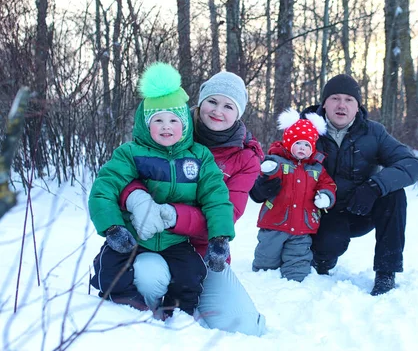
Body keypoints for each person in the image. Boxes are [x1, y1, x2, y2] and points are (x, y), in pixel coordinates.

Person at [120, 71, 266, 335]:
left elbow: (225, 215)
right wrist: (136, 196)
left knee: (244, 327)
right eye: (212, 101)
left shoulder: (245, 159)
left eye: (228, 106)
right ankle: (148, 322)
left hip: (203, 254)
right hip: (153, 242)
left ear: (239, 113)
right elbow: (128, 168)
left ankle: (190, 301)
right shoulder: (170, 124)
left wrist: (172, 215)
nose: (218, 111)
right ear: (200, 101)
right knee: (148, 277)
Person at [254, 74, 418, 296]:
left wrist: (374, 187)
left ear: (357, 106)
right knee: (330, 242)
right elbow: (277, 158)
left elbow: (410, 164)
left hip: (361, 207)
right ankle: (322, 259)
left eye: (349, 100)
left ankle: (386, 272)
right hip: (321, 214)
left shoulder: (374, 132)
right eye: (335, 98)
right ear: (324, 103)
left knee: (394, 196)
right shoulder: (304, 129)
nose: (342, 105)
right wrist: (260, 186)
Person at [88, 62, 235, 316]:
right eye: (158, 120)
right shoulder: (130, 153)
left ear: (186, 125)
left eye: (173, 120)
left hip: (174, 239)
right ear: (146, 125)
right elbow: (104, 188)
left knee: (192, 274)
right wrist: (113, 227)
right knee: (110, 267)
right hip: (134, 234)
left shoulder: (199, 157)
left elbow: (216, 198)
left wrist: (219, 237)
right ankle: (124, 297)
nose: (166, 126)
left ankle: (177, 309)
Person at [251, 109, 336, 282]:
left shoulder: (317, 168)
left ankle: (295, 276)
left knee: (298, 258)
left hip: (302, 225)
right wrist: (268, 169)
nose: (302, 148)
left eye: (307, 145)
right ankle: (263, 276)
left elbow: (328, 184)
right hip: (274, 222)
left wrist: (326, 196)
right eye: (298, 143)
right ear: (288, 143)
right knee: (266, 257)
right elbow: (270, 171)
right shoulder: (279, 161)